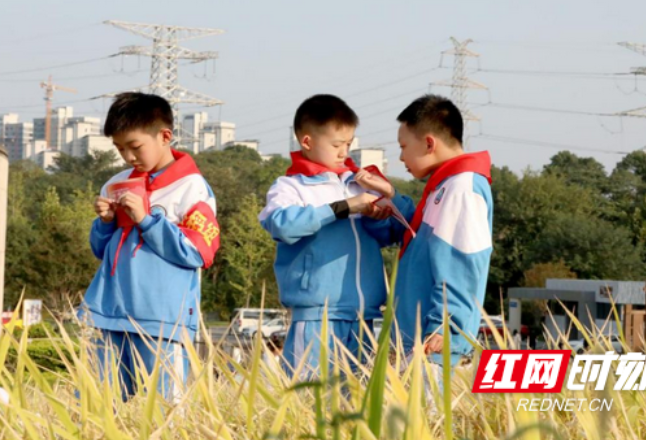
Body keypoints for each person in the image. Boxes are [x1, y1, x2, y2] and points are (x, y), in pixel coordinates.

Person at [79, 92, 220, 401]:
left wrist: (146, 220)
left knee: (165, 414)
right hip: (107, 313)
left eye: (135, 147)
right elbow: (101, 251)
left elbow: (198, 252)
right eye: (119, 148)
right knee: (94, 409)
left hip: (162, 320)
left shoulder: (191, 187)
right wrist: (104, 222)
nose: (128, 157)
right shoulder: (115, 184)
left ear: (165, 136)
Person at [258, 94, 413, 376]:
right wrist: (343, 208)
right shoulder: (290, 186)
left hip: (365, 317)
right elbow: (280, 224)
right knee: (307, 404)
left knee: (359, 406)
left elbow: (404, 231)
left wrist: (389, 198)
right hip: (316, 316)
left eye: (349, 143)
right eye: (336, 145)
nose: (344, 152)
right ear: (307, 142)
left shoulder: (360, 183)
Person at [357, 94, 493, 383]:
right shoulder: (444, 187)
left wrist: (445, 328)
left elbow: (463, 266)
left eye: (404, 146)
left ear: (429, 143)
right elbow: (419, 239)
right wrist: (391, 197)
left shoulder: (462, 189)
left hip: (433, 349)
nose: (401, 157)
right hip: (420, 345)